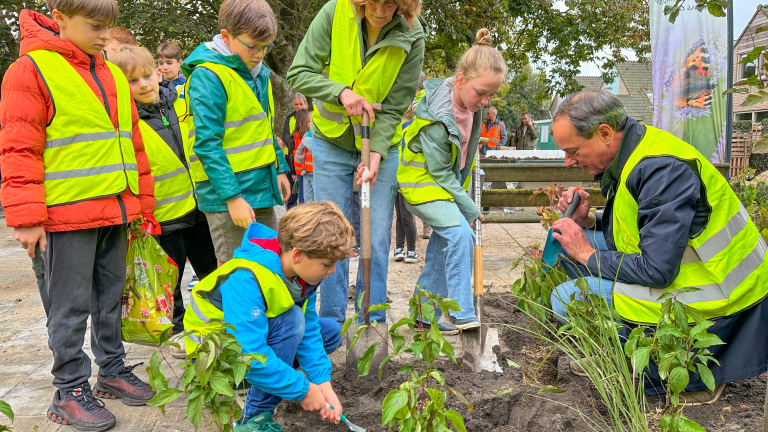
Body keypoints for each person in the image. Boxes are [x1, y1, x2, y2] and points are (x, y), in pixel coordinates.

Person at [546, 90, 768, 400]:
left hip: (718, 295)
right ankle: (625, 349)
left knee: (565, 297)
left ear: (605, 133)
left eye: (573, 151)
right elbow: (644, 227)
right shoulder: (637, 148)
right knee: (569, 255)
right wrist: (589, 221)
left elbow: (656, 269)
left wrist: (586, 251)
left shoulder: (662, 171)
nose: (569, 162)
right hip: (692, 273)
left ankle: (690, 376)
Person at [0, 0, 157, 429]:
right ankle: (68, 388)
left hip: (114, 209)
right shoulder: (30, 71)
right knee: (69, 308)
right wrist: (26, 216)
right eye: (95, 26)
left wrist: (142, 204)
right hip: (65, 215)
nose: (106, 35)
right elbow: (19, 148)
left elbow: (133, 143)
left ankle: (111, 370)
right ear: (60, 17)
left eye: (110, 26)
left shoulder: (107, 69)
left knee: (109, 299)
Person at [287, 0, 425, 325]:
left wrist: (376, 152)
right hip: (330, 142)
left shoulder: (412, 33)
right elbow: (299, 73)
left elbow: (397, 103)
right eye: (372, 2)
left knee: (376, 237)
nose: (380, 10)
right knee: (328, 236)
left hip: (379, 143)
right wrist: (340, 92)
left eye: (390, 4)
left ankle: (370, 323)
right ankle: (331, 325)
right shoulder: (335, 12)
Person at [183, 202, 354, 431]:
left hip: (255, 337)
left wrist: (323, 383)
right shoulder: (246, 278)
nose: (332, 270)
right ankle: (254, 416)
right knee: (292, 321)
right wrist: (302, 390)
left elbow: (311, 330)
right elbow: (250, 352)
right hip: (216, 356)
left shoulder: (304, 276)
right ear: (297, 255)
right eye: (326, 264)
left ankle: (277, 374)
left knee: (329, 332)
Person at [110, 44, 218, 353]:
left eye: (146, 76)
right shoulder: (127, 124)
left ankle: (214, 324)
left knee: (213, 271)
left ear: (159, 73)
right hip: (163, 218)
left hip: (200, 211)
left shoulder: (182, 106)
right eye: (132, 81)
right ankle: (178, 331)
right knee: (168, 280)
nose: (143, 85)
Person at [397, 28, 506, 332]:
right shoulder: (437, 116)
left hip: (442, 183)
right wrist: (469, 209)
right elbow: (441, 172)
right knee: (461, 236)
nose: (484, 101)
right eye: (480, 93)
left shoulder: (472, 107)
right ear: (460, 80)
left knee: (443, 243)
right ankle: (461, 310)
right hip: (421, 182)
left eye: (491, 95)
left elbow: (462, 160)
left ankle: (422, 315)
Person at [181, 0, 291, 266]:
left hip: (260, 187)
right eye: (253, 45)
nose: (260, 54)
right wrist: (233, 198)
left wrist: (279, 168)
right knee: (235, 273)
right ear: (226, 36)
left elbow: (264, 127)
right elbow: (207, 145)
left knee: (267, 266)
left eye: (267, 46)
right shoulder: (208, 76)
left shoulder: (257, 73)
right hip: (227, 196)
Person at [394, 104, 418, 263]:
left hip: (406, 177)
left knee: (406, 216)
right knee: (400, 217)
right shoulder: (400, 127)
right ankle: (399, 247)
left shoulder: (411, 129)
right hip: (397, 176)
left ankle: (412, 250)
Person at [282, 93, 308, 209]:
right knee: (294, 192)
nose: (298, 107)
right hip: (292, 159)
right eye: (296, 104)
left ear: (305, 104)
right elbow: (285, 136)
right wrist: (294, 146)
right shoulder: (290, 118)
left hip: (306, 161)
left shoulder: (311, 117)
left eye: (300, 104)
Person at [291, 109, 311, 203]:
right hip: (306, 167)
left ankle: (302, 208)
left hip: (299, 167)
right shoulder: (307, 135)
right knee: (306, 191)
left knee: (302, 190)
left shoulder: (294, 135)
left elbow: (293, 153)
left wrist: (293, 171)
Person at [294, 113, 315, 202]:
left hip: (316, 173)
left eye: (312, 121)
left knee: (317, 199)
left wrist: (306, 143)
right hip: (306, 172)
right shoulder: (306, 135)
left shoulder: (319, 136)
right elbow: (299, 154)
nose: (310, 124)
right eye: (308, 122)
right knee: (307, 199)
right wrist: (300, 156)